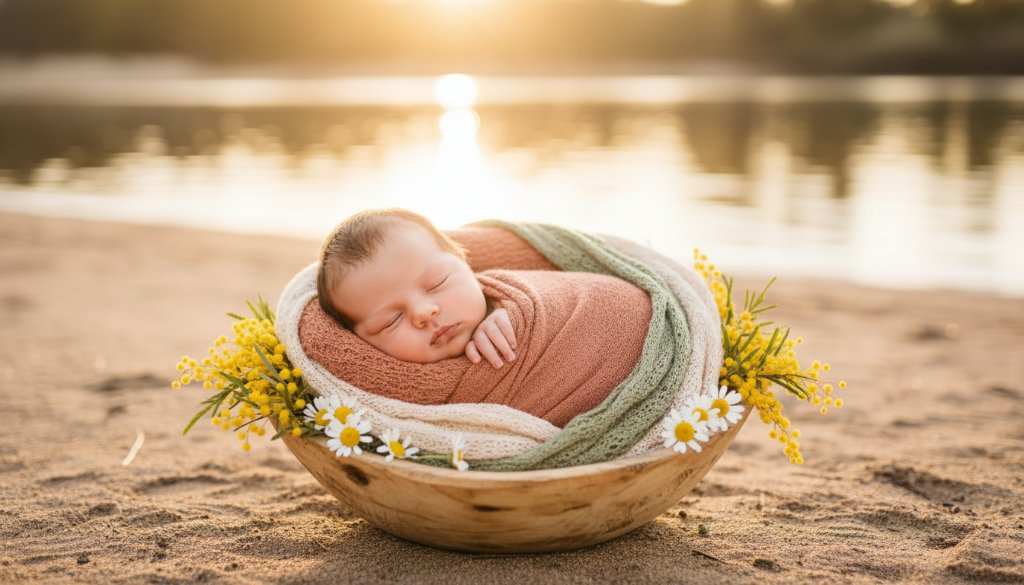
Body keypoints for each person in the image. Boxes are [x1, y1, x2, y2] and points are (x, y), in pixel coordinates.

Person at [317, 208, 518, 368]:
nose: (424, 312)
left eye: (437, 283)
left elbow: (544, 290)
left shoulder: (511, 298)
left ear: (464, 263)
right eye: (391, 322)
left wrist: (512, 312)